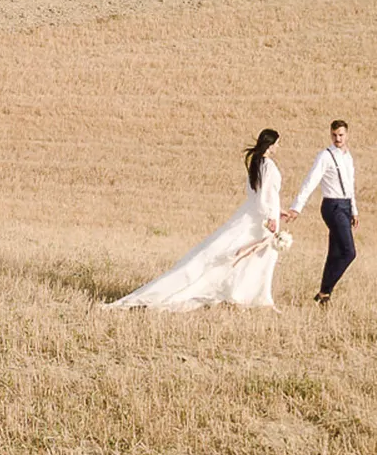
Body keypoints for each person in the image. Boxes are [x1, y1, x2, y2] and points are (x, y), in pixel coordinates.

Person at [105, 129, 291, 311]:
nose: (279, 147)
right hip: (262, 219)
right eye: (277, 143)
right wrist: (269, 217)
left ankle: (244, 295)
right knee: (249, 256)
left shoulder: (258, 163)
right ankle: (249, 296)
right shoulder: (267, 165)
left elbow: (262, 195)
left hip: (259, 214)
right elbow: (263, 196)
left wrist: (277, 210)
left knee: (250, 257)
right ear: (271, 144)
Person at [284, 119, 358, 306]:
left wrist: (354, 210)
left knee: (334, 252)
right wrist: (296, 207)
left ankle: (325, 296)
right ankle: (324, 291)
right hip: (332, 206)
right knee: (349, 252)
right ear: (330, 134)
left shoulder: (348, 157)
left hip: (345, 205)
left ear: (347, 135)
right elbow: (311, 182)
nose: (337, 139)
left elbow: (350, 186)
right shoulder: (325, 156)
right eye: (334, 135)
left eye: (341, 135)